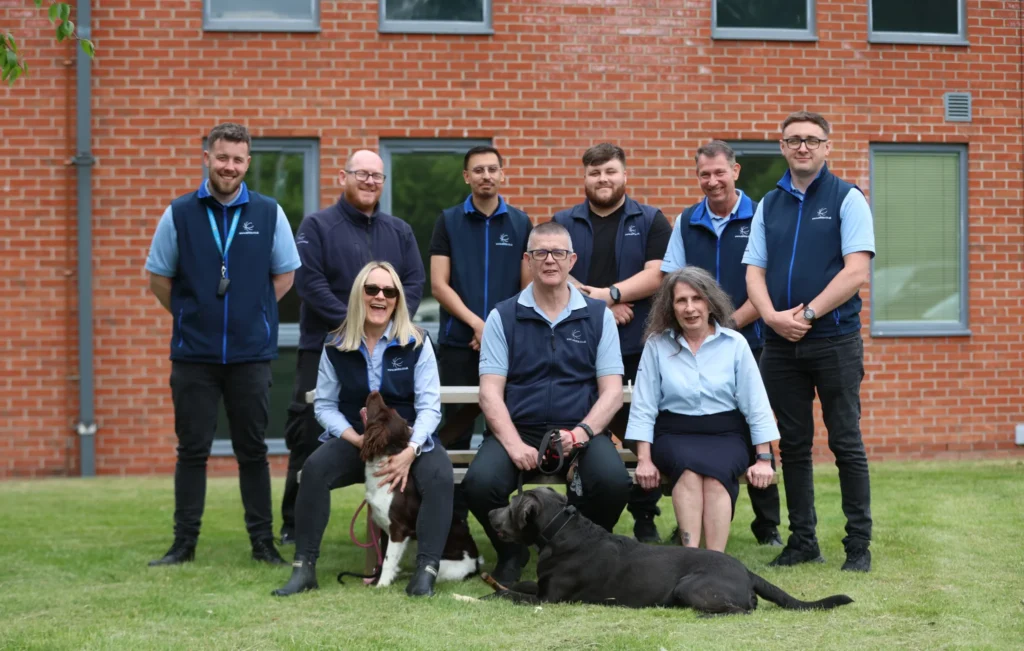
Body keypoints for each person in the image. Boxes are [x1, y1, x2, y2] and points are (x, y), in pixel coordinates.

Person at [144, 122, 300, 567]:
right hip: (194, 356)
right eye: (222, 157)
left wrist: (253, 314)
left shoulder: (269, 213)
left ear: (247, 163)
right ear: (207, 158)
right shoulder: (179, 213)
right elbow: (159, 279)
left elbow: (285, 276)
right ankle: (183, 544)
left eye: (237, 159)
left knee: (252, 451)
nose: (229, 166)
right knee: (192, 450)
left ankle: (262, 543)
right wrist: (191, 317)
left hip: (251, 356)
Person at [462, 221, 632, 585]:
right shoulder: (502, 316)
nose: (550, 260)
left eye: (558, 253)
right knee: (478, 484)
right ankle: (512, 552)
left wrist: (581, 433)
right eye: (540, 253)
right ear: (527, 260)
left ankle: (583, 550)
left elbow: (612, 391)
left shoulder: (598, 315)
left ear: (572, 260)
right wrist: (513, 444)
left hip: (580, 430)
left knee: (614, 482)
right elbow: (489, 393)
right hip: (519, 429)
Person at [743, 110, 875, 572]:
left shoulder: (847, 198)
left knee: (846, 443)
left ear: (827, 147)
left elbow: (856, 271)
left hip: (835, 339)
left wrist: (808, 314)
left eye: (812, 140)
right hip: (780, 344)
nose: (803, 147)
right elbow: (754, 271)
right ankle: (802, 541)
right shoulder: (769, 204)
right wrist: (772, 318)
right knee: (793, 446)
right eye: (794, 139)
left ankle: (857, 546)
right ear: (782, 147)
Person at [272, 261, 450, 598]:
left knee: (441, 475)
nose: (381, 296)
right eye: (372, 289)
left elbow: (430, 407)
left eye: (389, 291)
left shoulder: (416, 341)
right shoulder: (336, 345)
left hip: (407, 440)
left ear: (397, 300)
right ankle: (303, 568)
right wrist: (354, 439)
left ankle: (425, 572)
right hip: (359, 440)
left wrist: (411, 451)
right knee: (313, 470)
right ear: (359, 295)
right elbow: (324, 405)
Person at [278, 150, 426, 546]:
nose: (370, 182)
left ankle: (396, 517)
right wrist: (353, 326)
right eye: (362, 174)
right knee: (309, 434)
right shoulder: (317, 226)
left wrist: (389, 326)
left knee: (393, 430)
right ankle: (295, 524)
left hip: (387, 350)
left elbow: (413, 283)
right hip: (326, 348)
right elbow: (310, 284)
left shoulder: (400, 231)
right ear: (342, 176)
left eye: (377, 176)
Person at [660, 140, 783, 547]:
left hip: (752, 339)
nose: (712, 181)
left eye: (719, 172)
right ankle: (691, 521)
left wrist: (724, 327)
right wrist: (699, 328)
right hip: (695, 343)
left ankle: (767, 525)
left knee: (756, 421)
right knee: (701, 427)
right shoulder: (686, 221)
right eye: (704, 174)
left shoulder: (761, 215)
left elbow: (766, 282)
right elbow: (672, 279)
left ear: (735, 171)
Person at [553, 143, 672, 543]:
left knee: (642, 429)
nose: (602, 179)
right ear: (584, 177)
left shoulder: (651, 220)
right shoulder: (563, 222)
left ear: (625, 175)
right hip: (578, 346)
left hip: (638, 346)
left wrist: (611, 294)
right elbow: (550, 272)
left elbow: (659, 274)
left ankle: (644, 514)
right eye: (594, 173)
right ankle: (579, 513)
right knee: (582, 428)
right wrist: (601, 306)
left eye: (610, 171)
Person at [625, 267, 778, 553]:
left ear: (710, 302)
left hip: (727, 434)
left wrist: (764, 458)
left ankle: (715, 560)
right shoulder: (657, 345)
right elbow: (644, 406)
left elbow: (756, 404)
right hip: (674, 434)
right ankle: (691, 556)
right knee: (688, 473)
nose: (690, 308)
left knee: (717, 477)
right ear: (670, 307)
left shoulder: (735, 344)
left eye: (697, 298)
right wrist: (644, 459)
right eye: (681, 300)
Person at [429, 145, 532, 523]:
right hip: (459, 343)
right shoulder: (448, 221)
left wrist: (495, 330)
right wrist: (477, 325)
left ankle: (502, 519)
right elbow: (439, 285)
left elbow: (527, 289)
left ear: (503, 174)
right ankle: (453, 522)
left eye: (492, 169)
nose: (486, 176)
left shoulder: (521, 223)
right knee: (454, 433)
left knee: (502, 431)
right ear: (466, 177)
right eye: (478, 170)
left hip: (507, 347)